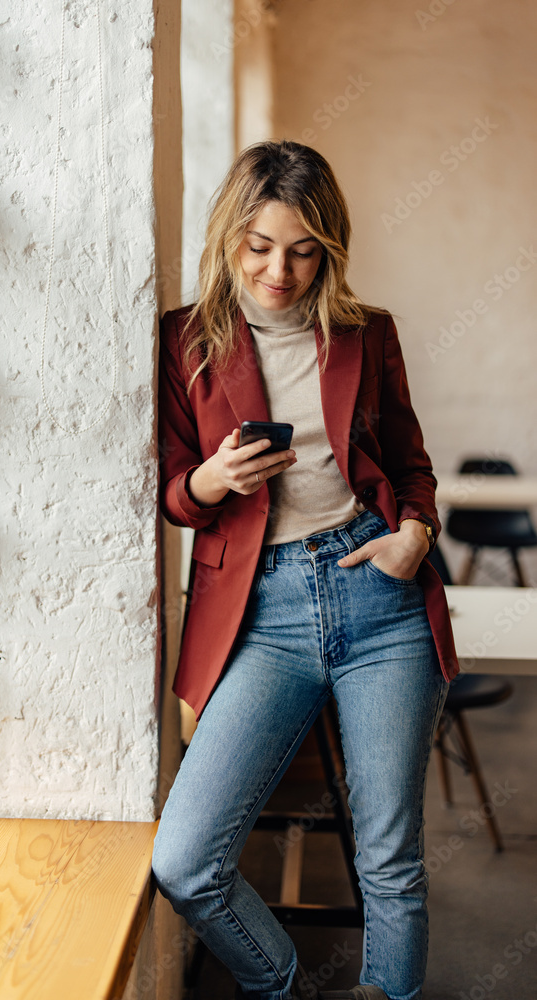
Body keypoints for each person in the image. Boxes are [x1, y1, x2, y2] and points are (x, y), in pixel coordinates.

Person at [152, 140, 459, 1000]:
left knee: (389, 858)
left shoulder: (367, 334)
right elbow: (173, 492)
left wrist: (413, 532)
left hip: (381, 597)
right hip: (264, 613)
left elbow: (410, 463)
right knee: (185, 860)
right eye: (258, 246)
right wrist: (207, 481)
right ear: (228, 237)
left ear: (328, 247)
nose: (277, 271)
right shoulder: (184, 341)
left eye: (301, 249)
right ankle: (282, 988)